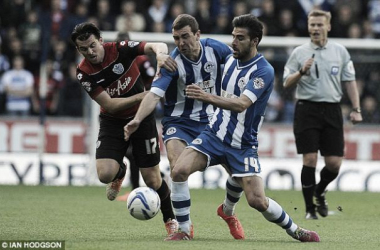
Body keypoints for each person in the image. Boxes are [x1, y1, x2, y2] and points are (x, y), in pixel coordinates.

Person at [163, 14, 320, 242]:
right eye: (233, 36)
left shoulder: (262, 71)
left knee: (257, 200)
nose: (234, 42)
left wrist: (205, 96)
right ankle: (184, 230)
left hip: (242, 145)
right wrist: (163, 56)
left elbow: (241, 104)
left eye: (241, 38)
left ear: (254, 41)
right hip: (213, 135)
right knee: (178, 170)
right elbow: (195, 51)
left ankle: (295, 230)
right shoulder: (228, 60)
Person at [124, 14, 245, 240]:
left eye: (185, 36)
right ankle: (184, 228)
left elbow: (239, 67)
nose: (181, 42)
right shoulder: (171, 63)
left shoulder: (215, 49)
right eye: (176, 38)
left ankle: (228, 211)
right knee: (177, 167)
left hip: (213, 121)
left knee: (239, 175)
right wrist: (137, 120)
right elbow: (154, 95)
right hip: (178, 123)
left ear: (197, 35)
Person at [70, 22, 179, 236]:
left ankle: (170, 219)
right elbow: (109, 104)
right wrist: (145, 95)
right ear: (78, 50)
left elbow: (157, 45)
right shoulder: (83, 72)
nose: (90, 52)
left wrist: (159, 55)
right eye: (84, 49)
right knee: (104, 174)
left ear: (101, 40)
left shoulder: (120, 48)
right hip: (112, 120)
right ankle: (120, 172)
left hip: (142, 117)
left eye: (92, 45)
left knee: (152, 179)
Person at [282, 10, 362, 220]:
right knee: (309, 159)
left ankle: (319, 190)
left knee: (334, 163)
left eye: (319, 24)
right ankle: (310, 209)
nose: (315, 28)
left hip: (332, 109)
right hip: (307, 109)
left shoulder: (340, 51)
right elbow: (285, 82)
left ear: (328, 26)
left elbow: (349, 80)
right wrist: (300, 72)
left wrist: (356, 108)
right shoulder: (299, 52)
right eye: (312, 25)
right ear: (308, 27)